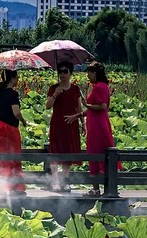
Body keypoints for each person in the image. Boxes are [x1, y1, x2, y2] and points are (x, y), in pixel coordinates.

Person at [78, 61, 116, 196]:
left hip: (97, 126)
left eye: (89, 72)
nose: (88, 75)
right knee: (100, 153)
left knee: (94, 152)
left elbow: (102, 106)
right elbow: (96, 109)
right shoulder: (103, 86)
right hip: (99, 123)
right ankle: (104, 187)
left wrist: (86, 104)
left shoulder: (99, 87)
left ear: (95, 73)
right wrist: (80, 114)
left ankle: (96, 188)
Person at [45, 61, 83, 191]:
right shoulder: (53, 88)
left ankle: (64, 181)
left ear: (71, 73)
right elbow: (47, 105)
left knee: (69, 151)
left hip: (71, 124)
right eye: (60, 71)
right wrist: (55, 94)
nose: (62, 74)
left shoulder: (75, 89)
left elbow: (79, 107)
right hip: (57, 123)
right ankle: (55, 181)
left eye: (65, 71)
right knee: (55, 151)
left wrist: (83, 124)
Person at [0, 68, 27, 192]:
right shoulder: (12, 94)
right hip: (9, 127)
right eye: (17, 78)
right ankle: (14, 186)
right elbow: (16, 112)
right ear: (12, 79)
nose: (18, 80)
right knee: (12, 154)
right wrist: (23, 121)